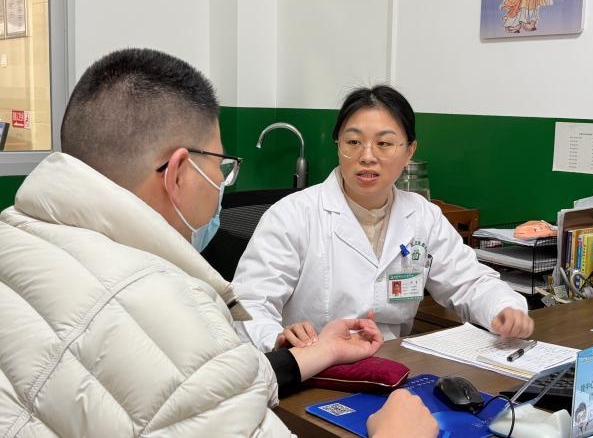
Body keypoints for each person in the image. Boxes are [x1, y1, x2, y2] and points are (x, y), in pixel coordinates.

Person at [0, 49, 437, 437]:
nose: (368, 156)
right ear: (178, 173)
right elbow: (198, 375)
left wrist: (319, 352)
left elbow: (202, 389)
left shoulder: (14, 239)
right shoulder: (176, 312)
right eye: (222, 165)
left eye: (385, 144)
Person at [233, 85, 534, 352]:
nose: (367, 156)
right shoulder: (292, 215)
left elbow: (468, 282)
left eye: (384, 144)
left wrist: (503, 309)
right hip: (314, 369)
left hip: (392, 367)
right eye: (353, 142)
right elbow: (249, 305)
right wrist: (277, 341)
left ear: (409, 152)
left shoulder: (423, 216)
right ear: (338, 145)